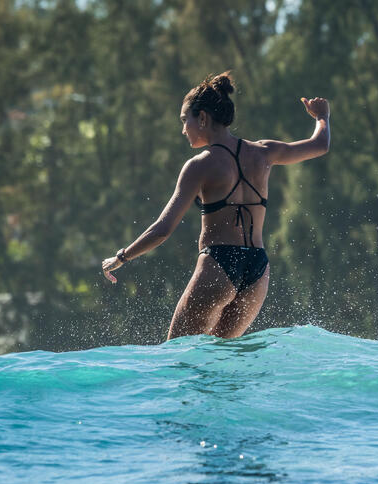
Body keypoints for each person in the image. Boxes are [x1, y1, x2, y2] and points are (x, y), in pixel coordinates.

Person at [101, 72, 330, 340]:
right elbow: (320, 145)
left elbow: (162, 229)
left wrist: (121, 257)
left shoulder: (200, 165)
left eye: (185, 120)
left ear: (203, 118)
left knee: (179, 354)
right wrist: (322, 117)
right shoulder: (264, 152)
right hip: (257, 268)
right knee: (223, 360)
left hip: (219, 263)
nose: (183, 129)